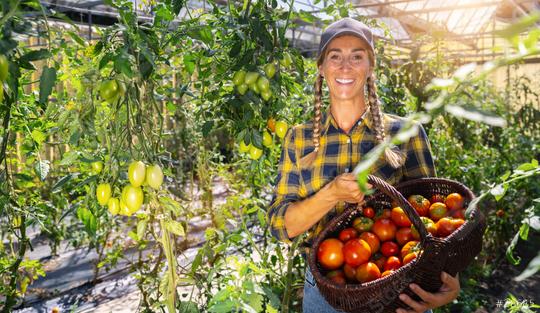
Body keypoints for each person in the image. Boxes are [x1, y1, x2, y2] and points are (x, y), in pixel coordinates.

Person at [267, 18, 460, 313]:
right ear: (321, 67)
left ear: (370, 67)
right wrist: (331, 194)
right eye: (335, 56)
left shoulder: (406, 134)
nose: (345, 66)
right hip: (324, 296)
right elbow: (281, 226)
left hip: (397, 291)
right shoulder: (299, 139)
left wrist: (446, 282)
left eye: (357, 56)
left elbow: (434, 221)